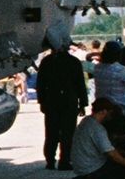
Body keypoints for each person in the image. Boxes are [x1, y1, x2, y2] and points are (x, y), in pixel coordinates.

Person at [70, 98, 125, 179]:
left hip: (82, 167)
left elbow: (107, 148)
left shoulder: (86, 122)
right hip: (92, 168)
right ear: (104, 111)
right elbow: (112, 154)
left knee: (124, 159)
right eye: (110, 113)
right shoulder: (97, 129)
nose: (111, 116)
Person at [35, 42, 90, 170]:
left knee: (51, 131)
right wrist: (83, 103)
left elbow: (40, 84)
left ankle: (50, 160)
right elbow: (80, 84)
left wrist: (42, 101)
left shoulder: (47, 61)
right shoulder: (74, 62)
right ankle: (64, 160)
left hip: (51, 101)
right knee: (68, 133)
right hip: (69, 101)